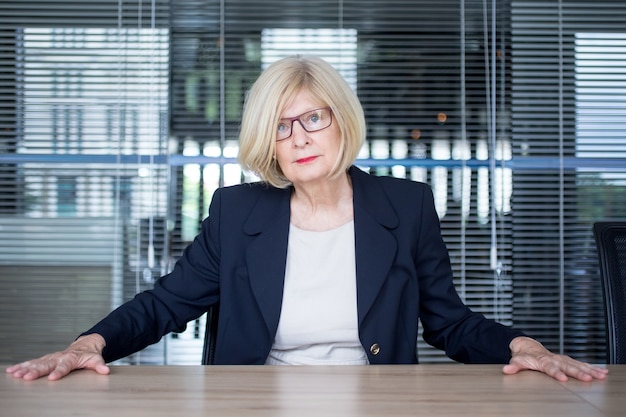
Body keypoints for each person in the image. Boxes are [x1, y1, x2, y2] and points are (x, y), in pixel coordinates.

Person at [7, 55, 608, 382]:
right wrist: (89, 343)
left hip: (376, 403)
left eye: (313, 118)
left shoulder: (406, 206)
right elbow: (166, 304)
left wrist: (522, 344)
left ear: (341, 120)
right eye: (280, 124)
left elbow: (447, 323)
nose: (298, 137)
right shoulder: (236, 211)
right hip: (255, 404)